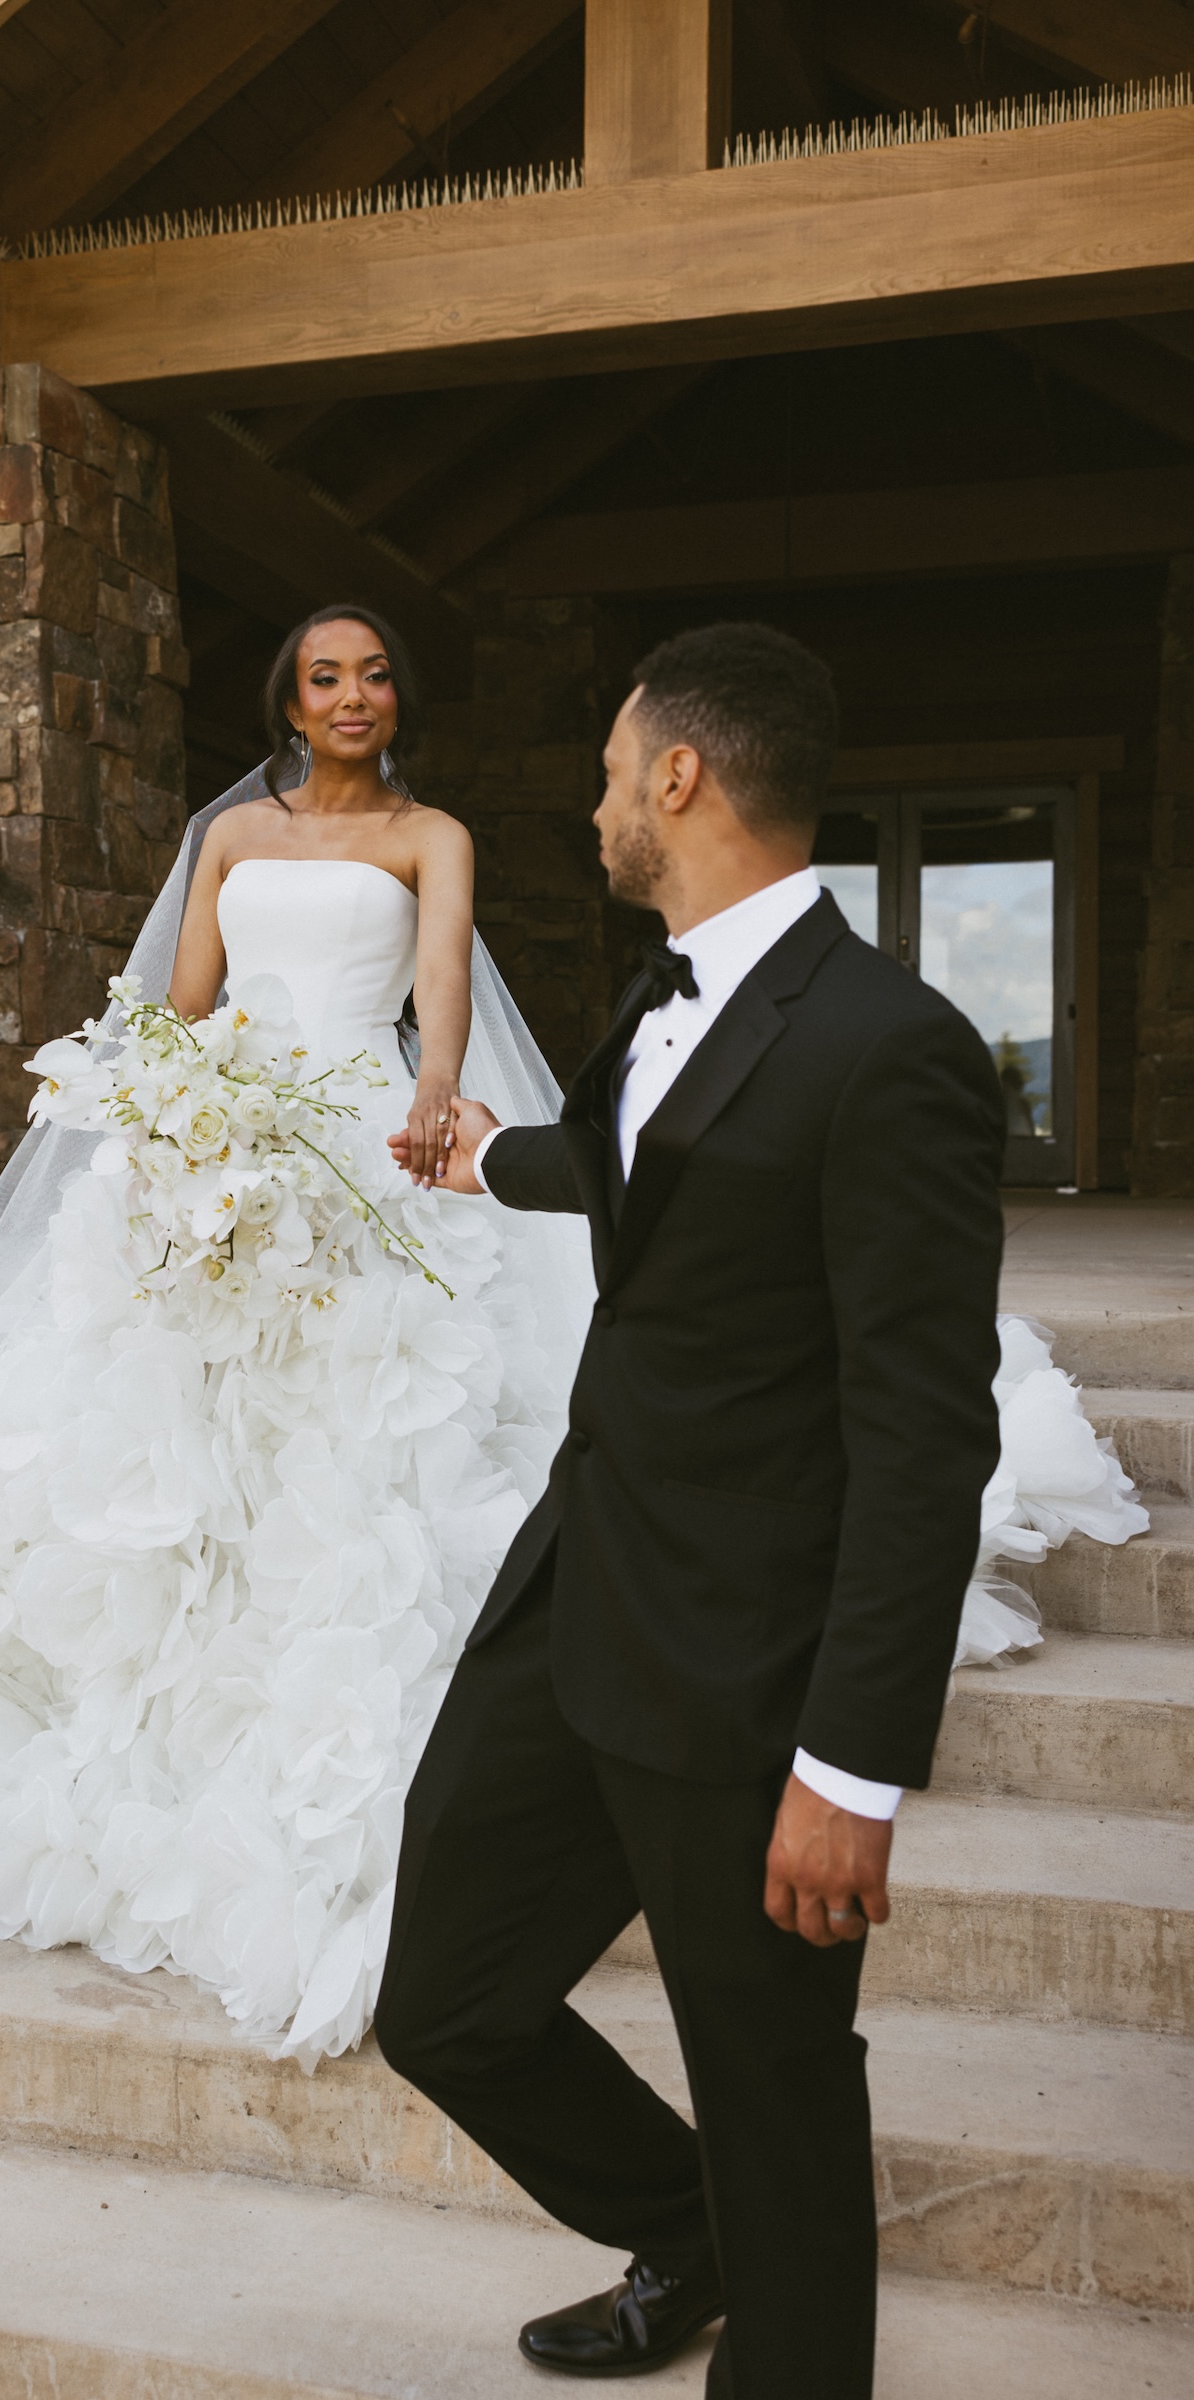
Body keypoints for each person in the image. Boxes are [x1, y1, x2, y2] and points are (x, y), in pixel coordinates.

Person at [0, 605, 594, 2067]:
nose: (353, 695)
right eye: (326, 675)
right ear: (289, 695)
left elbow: (436, 991)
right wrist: (155, 1126)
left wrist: (434, 1099)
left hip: (351, 1146)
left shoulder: (431, 835)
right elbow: (184, 1007)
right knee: (159, 1430)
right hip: (217, 1144)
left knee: (345, 1435)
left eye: (376, 674)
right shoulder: (235, 839)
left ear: (401, 697)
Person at [374, 621, 1008, 2398]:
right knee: (443, 2003)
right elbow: (634, 1164)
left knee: (781, 2102)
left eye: (604, 773)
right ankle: (691, 2225)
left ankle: (766, 2278)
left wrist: (851, 1768)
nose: (588, 809)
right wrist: (486, 1152)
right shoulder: (666, 996)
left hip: (744, 1677)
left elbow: (922, 1438)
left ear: (680, 777)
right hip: (577, 1607)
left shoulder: (896, 1051)